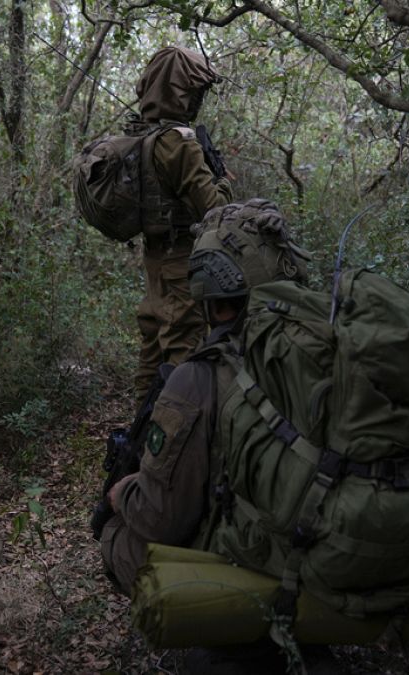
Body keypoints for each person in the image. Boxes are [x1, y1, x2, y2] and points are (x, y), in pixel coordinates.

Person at [100, 199, 307, 595]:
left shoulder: (198, 377)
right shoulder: (327, 351)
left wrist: (122, 493)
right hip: (334, 554)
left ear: (208, 291)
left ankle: (215, 648)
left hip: (260, 565)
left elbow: (163, 518)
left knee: (117, 537)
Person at [129, 47, 234, 403]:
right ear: (181, 91)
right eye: (196, 92)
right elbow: (213, 209)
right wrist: (224, 182)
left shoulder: (142, 135)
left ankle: (140, 437)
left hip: (155, 258)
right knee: (183, 349)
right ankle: (172, 440)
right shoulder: (179, 143)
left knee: (152, 346)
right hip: (180, 263)